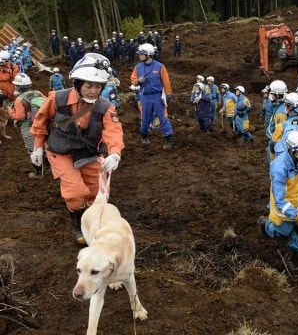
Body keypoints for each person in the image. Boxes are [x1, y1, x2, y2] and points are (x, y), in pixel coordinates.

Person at [30, 53, 124, 244]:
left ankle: (92, 222)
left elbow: (113, 131)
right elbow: (41, 121)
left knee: (97, 193)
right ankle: (79, 225)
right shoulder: (57, 98)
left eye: (98, 86)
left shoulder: (105, 107)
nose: (93, 91)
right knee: (75, 192)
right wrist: (38, 147)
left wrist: (115, 154)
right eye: (89, 85)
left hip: (88, 152)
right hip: (60, 151)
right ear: (78, 84)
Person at [257, 130, 298, 271]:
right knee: (282, 233)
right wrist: (295, 215)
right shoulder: (279, 168)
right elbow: (279, 199)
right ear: (290, 150)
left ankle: (289, 256)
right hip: (284, 206)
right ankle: (265, 224)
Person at [130, 43, 174, 149]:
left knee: (163, 117)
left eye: (141, 54)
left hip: (158, 96)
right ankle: (144, 135)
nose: (139, 56)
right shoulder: (138, 67)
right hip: (144, 97)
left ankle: (169, 138)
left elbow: (166, 81)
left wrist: (168, 94)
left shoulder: (160, 67)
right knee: (145, 118)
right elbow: (133, 79)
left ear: (148, 54)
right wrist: (138, 81)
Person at [8, 73, 46, 179]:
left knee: (32, 149)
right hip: (42, 124)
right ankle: (47, 167)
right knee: (44, 145)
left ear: (17, 87)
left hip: (28, 127)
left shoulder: (19, 100)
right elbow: (48, 103)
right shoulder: (38, 92)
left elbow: (20, 116)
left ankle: (38, 172)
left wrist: (11, 112)